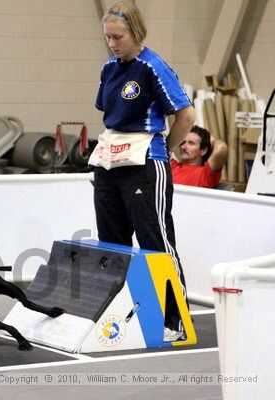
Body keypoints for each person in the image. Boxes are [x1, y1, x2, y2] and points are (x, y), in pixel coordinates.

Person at [89, 1, 195, 342]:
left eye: (118, 37)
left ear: (136, 33)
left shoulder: (153, 67)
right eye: (108, 37)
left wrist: (164, 149)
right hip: (109, 161)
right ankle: (121, 317)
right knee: (113, 243)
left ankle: (175, 320)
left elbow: (186, 117)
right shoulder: (109, 69)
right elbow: (109, 113)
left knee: (156, 242)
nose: (112, 43)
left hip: (145, 162)